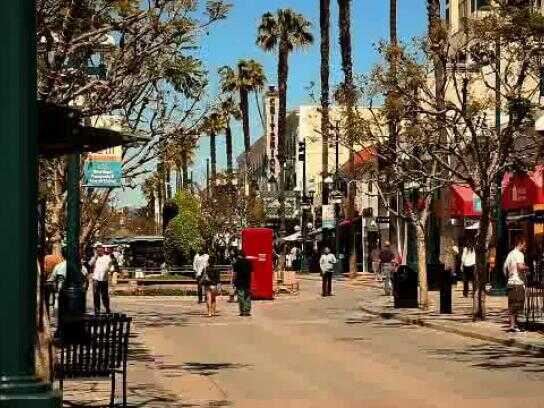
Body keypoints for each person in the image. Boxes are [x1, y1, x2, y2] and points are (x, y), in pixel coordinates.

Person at [504, 236, 528, 332]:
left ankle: (513, 325)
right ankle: (513, 326)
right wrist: (527, 268)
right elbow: (520, 267)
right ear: (520, 243)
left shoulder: (510, 254)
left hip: (511, 283)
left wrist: (509, 277)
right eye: (524, 245)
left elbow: (504, 268)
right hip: (517, 283)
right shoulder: (519, 254)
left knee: (512, 304)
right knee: (517, 304)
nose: (525, 246)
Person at [89, 243, 114, 315]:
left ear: (103, 250)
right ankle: (97, 310)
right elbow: (90, 264)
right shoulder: (94, 258)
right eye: (97, 250)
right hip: (96, 279)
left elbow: (111, 268)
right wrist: (95, 256)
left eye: (100, 249)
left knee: (104, 295)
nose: (99, 251)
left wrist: (110, 272)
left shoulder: (107, 258)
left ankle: (107, 308)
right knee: (96, 295)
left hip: (104, 279)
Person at [232, 249, 253, 316]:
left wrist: (233, 281)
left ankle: (242, 311)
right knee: (247, 296)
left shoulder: (236, 263)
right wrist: (250, 280)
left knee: (241, 296)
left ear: (239, 255)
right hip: (247, 282)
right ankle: (247, 310)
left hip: (239, 282)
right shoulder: (249, 262)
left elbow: (235, 274)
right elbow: (251, 273)